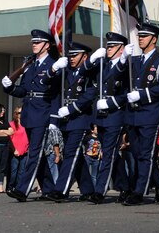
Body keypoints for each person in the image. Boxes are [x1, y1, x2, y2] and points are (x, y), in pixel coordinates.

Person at [2, 29, 61, 202]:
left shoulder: (53, 64)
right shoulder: (30, 65)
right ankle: (49, 189)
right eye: (33, 42)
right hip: (28, 113)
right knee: (38, 154)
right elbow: (23, 91)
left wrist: (54, 119)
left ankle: (22, 189)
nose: (34, 45)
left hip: (43, 114)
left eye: (37, 42)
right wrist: (10, 87)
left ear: (47, 45)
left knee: (34, 153)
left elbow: (56, 94)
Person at [122, 23, 159, 206]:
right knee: (136, 153)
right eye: (139, 35)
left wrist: (142, 94)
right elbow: (121, 78)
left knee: (146, 154)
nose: (140, 38)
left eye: (144, 36)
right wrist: (122, 59)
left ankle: (139, 192)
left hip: (150, 114)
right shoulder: (135, 60)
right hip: (134, 114)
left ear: (154, 39)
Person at [47, 41, 97, 202]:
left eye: (75, 55)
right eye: (70, 55)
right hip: (66, 120)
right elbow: (50, 85)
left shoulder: (90, 72)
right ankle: (88, 189)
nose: (72, 58)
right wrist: (53, 68)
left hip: (80, 118)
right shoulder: (66, 71)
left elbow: (90, 95)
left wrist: (72, 108)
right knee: (76, 156)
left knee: (70, 153)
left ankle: (61, 189)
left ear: (85, 56)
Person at [89, 31, 132, 204]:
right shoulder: (103, 66)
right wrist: (91, 60)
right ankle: (126, 187)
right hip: (101, 116)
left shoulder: (126, 67)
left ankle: (100, 191)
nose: (108, 48)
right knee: (112, 155)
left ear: (121, 49)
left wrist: (110, 103)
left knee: (107, 154)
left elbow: (126, 93)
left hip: (115, 115)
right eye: (108, 46)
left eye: (112, 46)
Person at [8, 106, 28, 191]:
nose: (21, 114)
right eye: (19, 113)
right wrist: (14, 149)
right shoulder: (12, 124)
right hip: (15, 151)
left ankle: (18, 188)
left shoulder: (26, 123)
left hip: (25, 150)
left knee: (22, 172)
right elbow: (9, 138)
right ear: (16, 114)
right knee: (13, 172)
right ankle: (10, 187)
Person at [83, 123, 101, 187]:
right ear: (92, 130)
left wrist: (100, 154)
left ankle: (94, 190)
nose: (98, 130)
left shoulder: (100, 138)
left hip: (96, 158)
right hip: (88, 157)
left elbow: (101, 147)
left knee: (94, 176)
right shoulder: (88, 137)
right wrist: (85, 152)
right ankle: (86, 188)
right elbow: (83, 144)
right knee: (86, 174)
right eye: (96, 129)